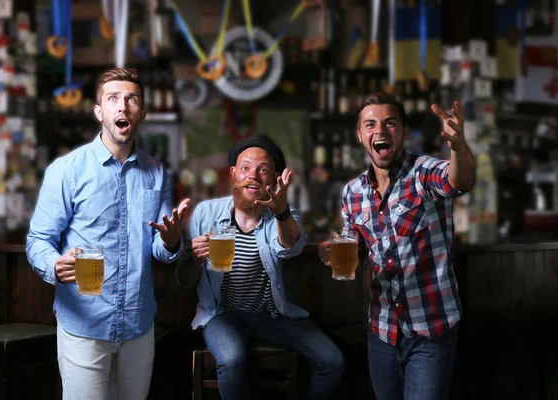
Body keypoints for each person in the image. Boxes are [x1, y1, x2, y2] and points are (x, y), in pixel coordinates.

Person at [26, 67, 190, 400]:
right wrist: (54, 265)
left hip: (138, 325)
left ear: (141, 113)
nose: (123, 106)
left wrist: (171, 241)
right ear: (99, 111)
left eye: (132, 99)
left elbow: (159, 248)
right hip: (84, 324)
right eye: (113, 98)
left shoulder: (158, 175)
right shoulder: (66, 171)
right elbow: (38, 241)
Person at [317, 92, 475, 400]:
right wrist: (334, 253)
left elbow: (459, 180)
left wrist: (458, 147)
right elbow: (359, 246)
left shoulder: (423, 172)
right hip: (382, 330)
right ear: (360, 135)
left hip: (430, 329)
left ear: (403, 131)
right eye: (370, 124)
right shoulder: (352, 192)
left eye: (390, 123)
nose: (380, 130)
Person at [187, 134, 344, 400]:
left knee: (332, 360)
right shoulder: (205, 213)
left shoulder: (284, 214)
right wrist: (194, 259)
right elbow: (188, 277)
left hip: (270, 314)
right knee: (232, 360)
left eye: (263, 170)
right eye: (246, 168)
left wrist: (281, 211)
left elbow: (290, 247)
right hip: (221, 315)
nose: (253, 175)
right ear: (233, 174)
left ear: (274, 179)